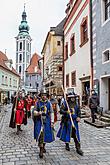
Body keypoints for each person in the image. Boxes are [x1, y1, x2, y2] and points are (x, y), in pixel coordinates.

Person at [33, 89, 55, 158]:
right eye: (42, 95)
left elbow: (51, 112)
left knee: (45, 135)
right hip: (39, 121)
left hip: (47, 121)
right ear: (41, 96)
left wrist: (52, 121)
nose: (44, 96)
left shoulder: (49, 103)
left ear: (46, 96)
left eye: (45, 95)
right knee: (40, 135)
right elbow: (34, 111)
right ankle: (41, 150)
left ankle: (43, 146)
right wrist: (37, 113)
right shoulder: (38, 103)